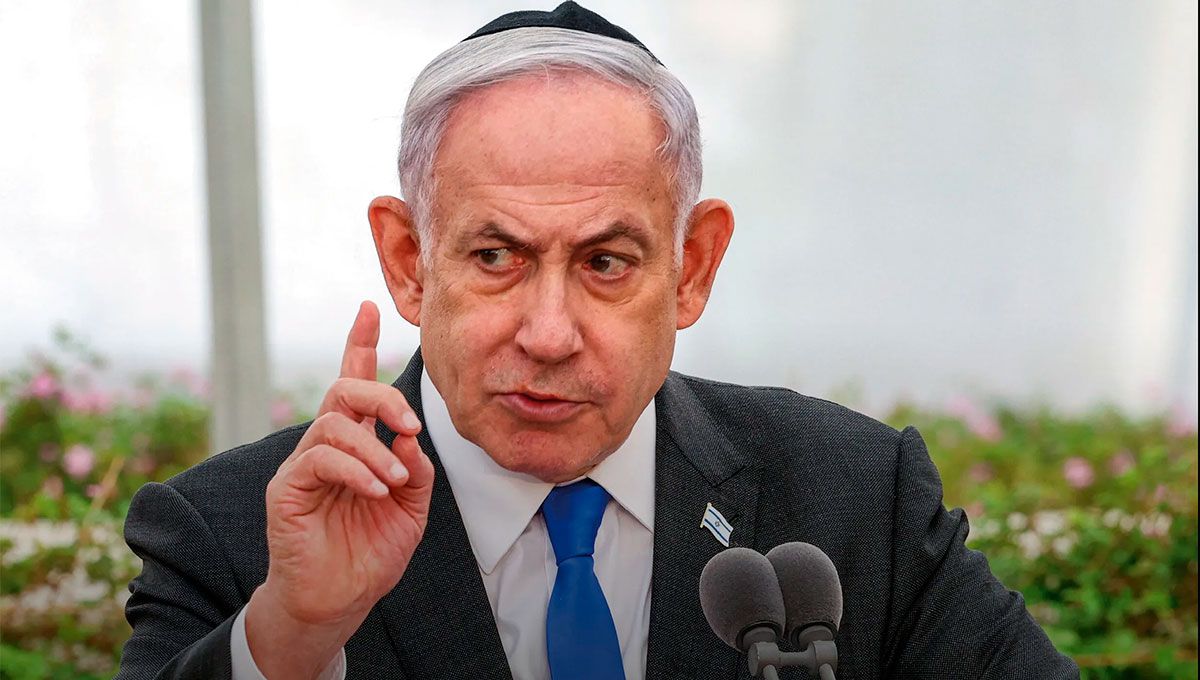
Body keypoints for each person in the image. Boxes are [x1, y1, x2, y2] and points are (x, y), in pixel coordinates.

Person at [116, 3, 1079, 679]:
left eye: (607, 262)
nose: (549, 334)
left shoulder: (854, 498)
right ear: (409, 262)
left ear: (692, 267)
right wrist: (292, 633)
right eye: (496, 256)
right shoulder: (236, 536)